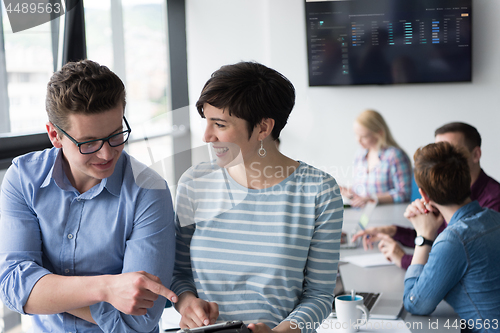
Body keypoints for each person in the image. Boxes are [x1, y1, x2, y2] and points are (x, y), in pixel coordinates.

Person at [0, 60, 177, 332]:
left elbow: (140, 319)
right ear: (54, 135)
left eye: (116, 135)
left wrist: (46, 288)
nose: (107, 154)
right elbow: (12, 286)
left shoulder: (150, 191)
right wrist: (107, 288)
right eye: (89, 142)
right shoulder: (23, 179)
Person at [171, 62, 343, 333]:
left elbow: (319, 295)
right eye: (206, 121)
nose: (206, 136)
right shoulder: (195, 183)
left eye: (219, 124)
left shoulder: (319, 191)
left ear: (263, 128)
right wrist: (187, 303)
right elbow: (177, 273)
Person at [352, 122, 500, 269]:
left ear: (476, 155)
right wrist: (394, 231)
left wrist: (403, 258)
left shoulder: (494, 200)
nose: (443, 160)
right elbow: (436, 237)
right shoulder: (449, 193)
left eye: (452, 152)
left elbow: (455, 261)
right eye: (439, 152)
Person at [402, 142, 500, 330]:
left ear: (424, 195)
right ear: (467, 179)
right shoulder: (494, 217)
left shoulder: (455, 240)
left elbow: (414, 303)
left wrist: (423, 237)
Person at [341, 109, 411, 207]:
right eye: (356, 135)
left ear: (379, 133)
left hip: (387, 217)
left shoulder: (395, 156)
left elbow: (404, 194)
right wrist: (347, 192)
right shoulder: (360, 155)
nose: (358, 140)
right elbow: (362, 194)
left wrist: (373, 199)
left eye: (364, 136)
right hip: (363, 216)